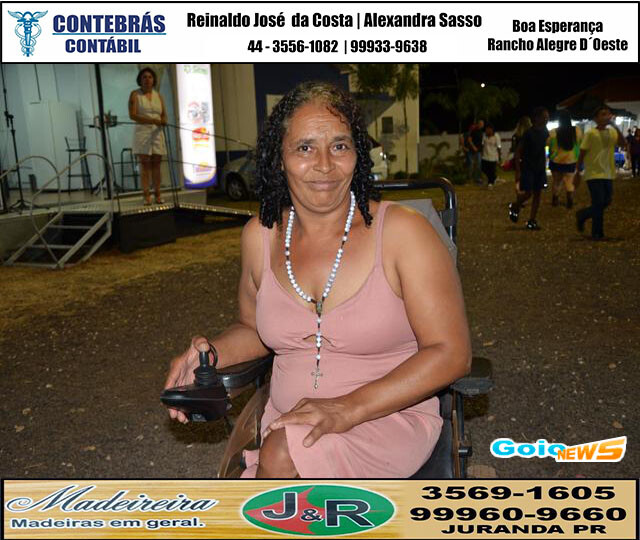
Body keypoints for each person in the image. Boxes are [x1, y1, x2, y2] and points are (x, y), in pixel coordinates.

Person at [164, 82, 471, 479]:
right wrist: (210, 355)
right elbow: (254, 328)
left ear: (357, 155)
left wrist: (346, 408)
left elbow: (451, 352)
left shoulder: (403, 233)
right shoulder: (261, 236)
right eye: (305, 147)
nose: (325, 164)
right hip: (289, 420)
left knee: (282, 454)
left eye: (340, 146)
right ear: (279, 159)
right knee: (284, 447)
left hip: (385, 419)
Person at [575, 105, 627, 240]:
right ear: (596, 118)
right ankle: (597, 233)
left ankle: (583, 215)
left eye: (608, 114)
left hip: (608, 172)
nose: (606, 117)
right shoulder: (591, 133)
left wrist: (616, 127)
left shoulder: (612, 132)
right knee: (598, 202)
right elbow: (582, 152)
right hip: (593, 172)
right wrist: (577, 171)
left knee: (607, 201)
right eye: (603, 114)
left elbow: (623, 143)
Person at [129, 67, 168, 205]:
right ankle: (146, 195)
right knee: (145, 165)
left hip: (157, 133)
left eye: (150, 77)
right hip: (142, 132)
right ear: (140, 79)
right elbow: (133, 115)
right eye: (144, 77)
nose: (147, 79)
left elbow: (164, 115)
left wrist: (163, 121)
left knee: (157, 164)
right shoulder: (135, 94)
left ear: (154, 80)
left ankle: (158, 194)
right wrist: (152, 120)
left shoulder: (159, 96)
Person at [508, 107, 549, 230]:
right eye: (545, 117)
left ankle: (532, 220)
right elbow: (518, 152)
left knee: (538, 194)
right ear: (537, 118)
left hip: (540, 167)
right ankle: (515, 205)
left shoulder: (545, 132)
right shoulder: (528, 133)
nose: (547, 119)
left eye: (547, 117)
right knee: (528, 193)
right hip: (528, 167)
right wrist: (518, 170)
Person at [548, 110, 582, 209]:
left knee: (557, 182)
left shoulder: (553, 132)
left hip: (556, 161)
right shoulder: (577, 131)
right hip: (571, 161)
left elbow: (548, 144)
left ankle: (555, 200)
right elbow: (580, 142)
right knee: (569, 182)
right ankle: (569, 201)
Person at [510, 116, 532, 196]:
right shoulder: (530, 135)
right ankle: (525, 195)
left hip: (518, 159)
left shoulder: (516, 136)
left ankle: (519, 194)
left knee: (518, 178)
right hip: (528, 160)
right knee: (528, 179)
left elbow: (513, 149)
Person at [481, 123, 501, 188]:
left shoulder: (496, 136)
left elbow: (499, 147)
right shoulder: (484, 136)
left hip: (493, 156)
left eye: (488, 129)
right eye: (486, 129)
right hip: (485, 156)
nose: (487, 130)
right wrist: (482, 153)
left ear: (492, 129)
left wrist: (499, 157)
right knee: (483, 168)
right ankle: (494, 178)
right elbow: (482, 144)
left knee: (491, 170)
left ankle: (490, 182)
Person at [466, 119, 484, 184]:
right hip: (471, 151)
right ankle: (469, 178)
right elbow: (469, 140)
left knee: (478, 164)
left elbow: (481, 142)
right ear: (478, 124)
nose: (482, 125)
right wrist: (473, 147)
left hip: (478, 151)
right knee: (471, 164)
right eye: (481, 124)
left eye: (482, 124)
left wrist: (482, 150)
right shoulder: (473, 131)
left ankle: (477, 178)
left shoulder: (481, 132)